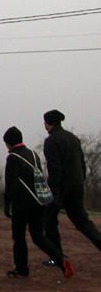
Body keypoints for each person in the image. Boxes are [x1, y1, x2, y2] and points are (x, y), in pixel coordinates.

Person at [2, 126, 73, 279]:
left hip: (22, 204)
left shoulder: (13, 158)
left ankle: (22, 270)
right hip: (40, 202)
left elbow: (10, 185)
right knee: (39, 237)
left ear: (8, 143)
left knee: (19, 236)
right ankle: (61, 259)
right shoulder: (34, 155)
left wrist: (7, 205)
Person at [42, 110, 101, 259]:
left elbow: (54, 168)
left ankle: (57, 256)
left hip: (60, 187)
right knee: (82, 221)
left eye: (45, 122)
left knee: (49, 219)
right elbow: (82, 163)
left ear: (48, 124)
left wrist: (52, 189)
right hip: (77, 185)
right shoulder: (73, 138)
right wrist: (81, 180)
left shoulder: (51, 141)